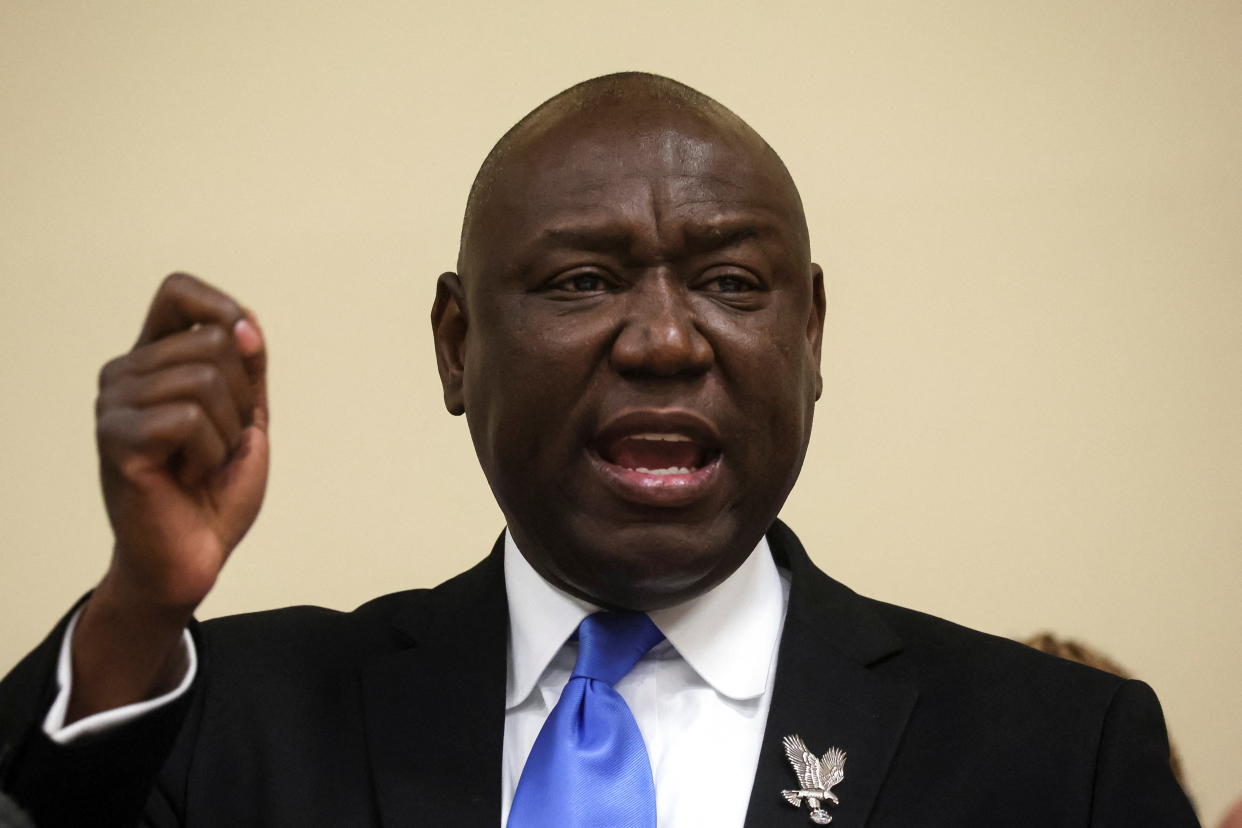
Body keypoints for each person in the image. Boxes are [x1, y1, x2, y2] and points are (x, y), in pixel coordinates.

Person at [0, 72, 1198, 827]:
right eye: (583, 281)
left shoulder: (1058, 756)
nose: (669, 341)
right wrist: (139, 605)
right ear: (456, 344)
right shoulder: (229, 725)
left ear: (812, 333)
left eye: (731, 283)